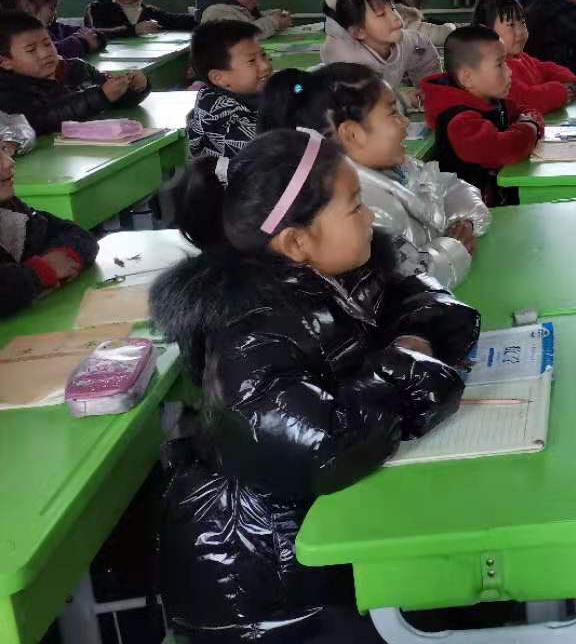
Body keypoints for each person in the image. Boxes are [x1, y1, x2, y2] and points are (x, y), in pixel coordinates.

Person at [150, 129, 479, 642]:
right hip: (274, 591)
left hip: (331, 531)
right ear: (296, 242)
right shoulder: (248, 335)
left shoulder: (348, 273)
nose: (370, 218)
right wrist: (404, 362)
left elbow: (431, 303)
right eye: (355, 206)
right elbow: (330, 447)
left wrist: (412, 341)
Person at [260, 64, 489, 290]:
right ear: (352, 133)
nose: (405, 122)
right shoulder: (358, 207)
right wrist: (453, 247)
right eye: (393, 112)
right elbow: (404, 281)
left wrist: (464, 222)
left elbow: (450, 186)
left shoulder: (399, 167)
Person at [418, 26, 543, 207]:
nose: (509, 72)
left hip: (497, 204)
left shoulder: (493, 101)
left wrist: (528, 122)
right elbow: (503, 149)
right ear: (467, 78)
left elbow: (527, 111)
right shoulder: (459, 122)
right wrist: (530, 126)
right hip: (470, 215)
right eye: (500, 65)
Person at [0, 120, 99, 318]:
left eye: (3, 149)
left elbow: (76, 234)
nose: (9, 162)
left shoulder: (10, 209)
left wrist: (64, 257)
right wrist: (41, 271)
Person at [0, 12, 149, 134]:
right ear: (5, 62)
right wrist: (101, 96)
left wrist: (134, 88)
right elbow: (43, 119)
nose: (45, 53)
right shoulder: (8, 91)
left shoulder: (76, 68)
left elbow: (113, 98)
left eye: (47, 43)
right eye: (31, 50)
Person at [474, 0, 576, 115]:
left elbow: (547, 70)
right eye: (511, 25)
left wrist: (571, 82)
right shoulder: (496, 69)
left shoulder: (521, 58)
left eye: (522, 22)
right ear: (487, 32)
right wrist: (561, 91)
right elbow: (527, 100)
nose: (520, 31)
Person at [319, 0, 440, 93]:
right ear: (359, 31)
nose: (395, 17)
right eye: (381, 14)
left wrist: (429, 91)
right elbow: (361, 104)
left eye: (392, 9)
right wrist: (404, 100)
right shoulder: (349, 62)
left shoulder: (408, 42)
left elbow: (423, 52)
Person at [187, 21, 274, 161]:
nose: (265, 66)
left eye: (263, 55)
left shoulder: (255, 95)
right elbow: (271, 156)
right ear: (219, 78)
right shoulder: (223, 119)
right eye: (252, 61)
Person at [0, 0, 104, 59]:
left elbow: (87, 33)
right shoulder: (17, 37)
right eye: (51, 8)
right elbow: (52, 53)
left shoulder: (52, 27)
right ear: (27, 6)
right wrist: (84, 42)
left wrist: (94, 36)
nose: (54, 13)